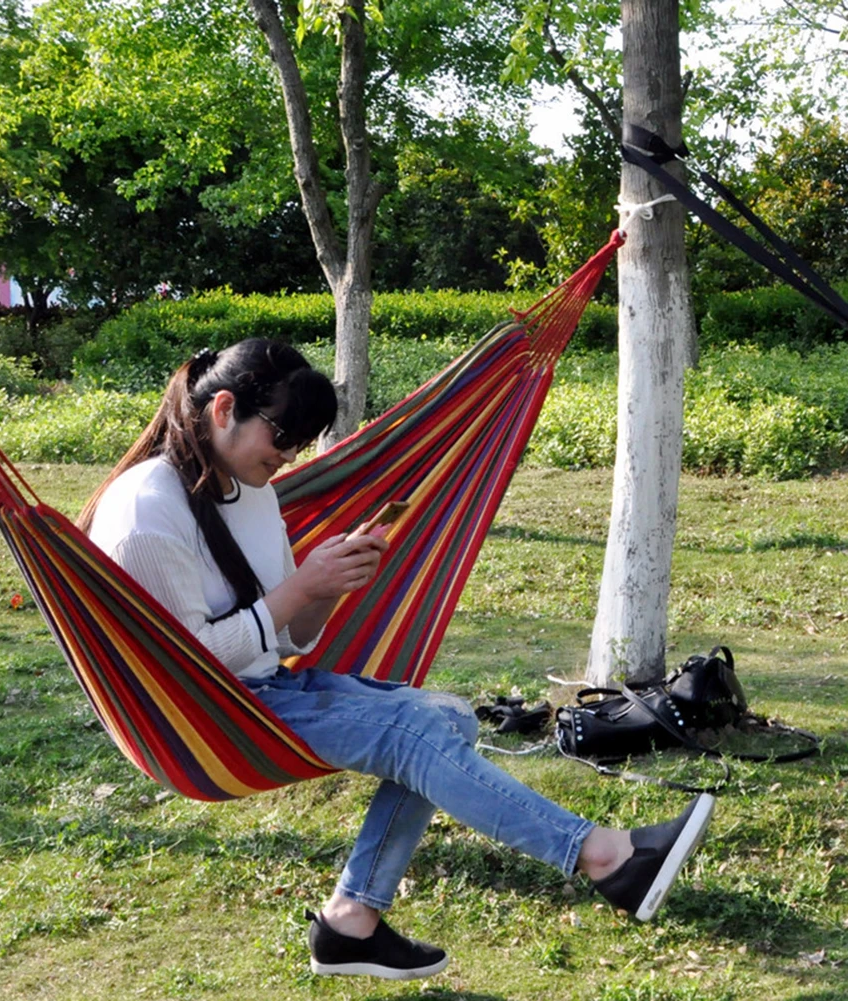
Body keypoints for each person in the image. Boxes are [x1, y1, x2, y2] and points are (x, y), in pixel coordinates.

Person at [80, 339, 715, 981]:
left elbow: (289, 639)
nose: (290, 456)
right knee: (413, 733)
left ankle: (350, 921)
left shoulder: (249, 488)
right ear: (223, 410)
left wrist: (325, 587)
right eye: (282, 435)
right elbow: (186, 669)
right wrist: (300, 588)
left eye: (300, 442)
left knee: (449, 715)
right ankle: (605, 857)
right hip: (200, 723)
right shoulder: (147, 511)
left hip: (263, 692)